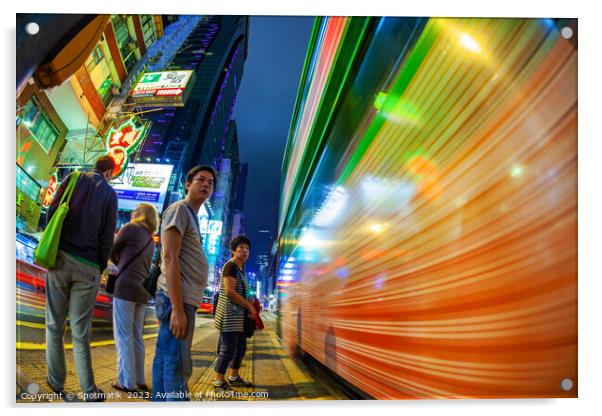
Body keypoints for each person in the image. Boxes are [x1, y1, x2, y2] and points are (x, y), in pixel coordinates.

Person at [45, 156, 118, 402]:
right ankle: (89, 390)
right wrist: (99, 266)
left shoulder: (73, 178)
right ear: (108, 172)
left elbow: (52, 209)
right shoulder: (110, 195)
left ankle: (56, 382)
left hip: (61, 258)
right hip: (88, 267)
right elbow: (108, 236)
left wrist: (53, 244)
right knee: (80, 332)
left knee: (54, 324)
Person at [151, 165, 215, 401]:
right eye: (201, 179)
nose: (206, 184)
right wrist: (177, 310)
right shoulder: (179, 210)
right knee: (178, 365)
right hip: (175, 299)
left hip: (179, 299)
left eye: (210, 182)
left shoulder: (191, 217)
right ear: (188, 184)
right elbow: (169, 257)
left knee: (164, 358)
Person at [110, 203, 158, 393]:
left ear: (141, 214)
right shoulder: (151, 239)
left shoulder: (130, 228)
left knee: (123, 336)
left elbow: (111, 249)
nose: (132, 212)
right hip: (142, 292)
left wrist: (119, 262)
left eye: (136, 210)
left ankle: (126, 382)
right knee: (137, 336)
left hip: (126, 288)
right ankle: (139, 379)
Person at [213, 235, 257, 391]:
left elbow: (242, 291)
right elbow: (230, 291)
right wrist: (248, 305)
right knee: (227, 350)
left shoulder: (240, 269)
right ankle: (218, 381)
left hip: (239, 317)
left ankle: (233, 376)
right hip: (229, 316)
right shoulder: (230, 266)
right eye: (241, 248)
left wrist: (252, 303)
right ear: (233, 250)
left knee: (240, 349)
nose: (245, 251)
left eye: (247, 248)